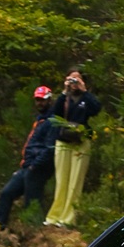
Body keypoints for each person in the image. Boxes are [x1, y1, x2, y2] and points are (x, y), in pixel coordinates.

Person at [0, 86, 56, 230]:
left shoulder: (52, 121)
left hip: (38, 168)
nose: (39, 103)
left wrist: (35, 165)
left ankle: (33, 231)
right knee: (6, 193)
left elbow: (49, 148)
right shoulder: (39, 120)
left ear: (49, 100)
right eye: (37, 100)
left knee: (31, 202)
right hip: (27, 166)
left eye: (42, 100)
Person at [44, 70, 101, 228]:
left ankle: (68, 219)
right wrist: (64, 92)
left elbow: (96, 109)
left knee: (75, 182)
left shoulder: (86, 99)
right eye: (71, 79)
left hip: (81, 141)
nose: (74, 82)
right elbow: (53, 114)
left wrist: (84, 91)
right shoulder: (65, 98)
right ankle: (54, 216)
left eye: (77, 79)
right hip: (63, 141)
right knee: (62, 181)